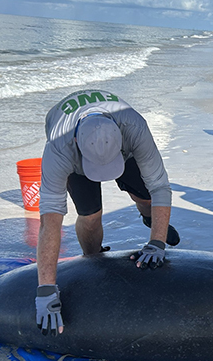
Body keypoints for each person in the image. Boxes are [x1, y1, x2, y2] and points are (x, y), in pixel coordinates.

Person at [36, 89, 181, 336]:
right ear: (75, 143)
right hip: (77, 160)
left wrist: (157, 242)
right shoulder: (58, 149)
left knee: (147, 198)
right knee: (90, 216)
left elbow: (160, 186)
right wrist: (46, 289)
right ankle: (92, 260)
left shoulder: (134, 127)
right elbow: (50, 221)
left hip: (123, 151)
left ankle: (149, 218)